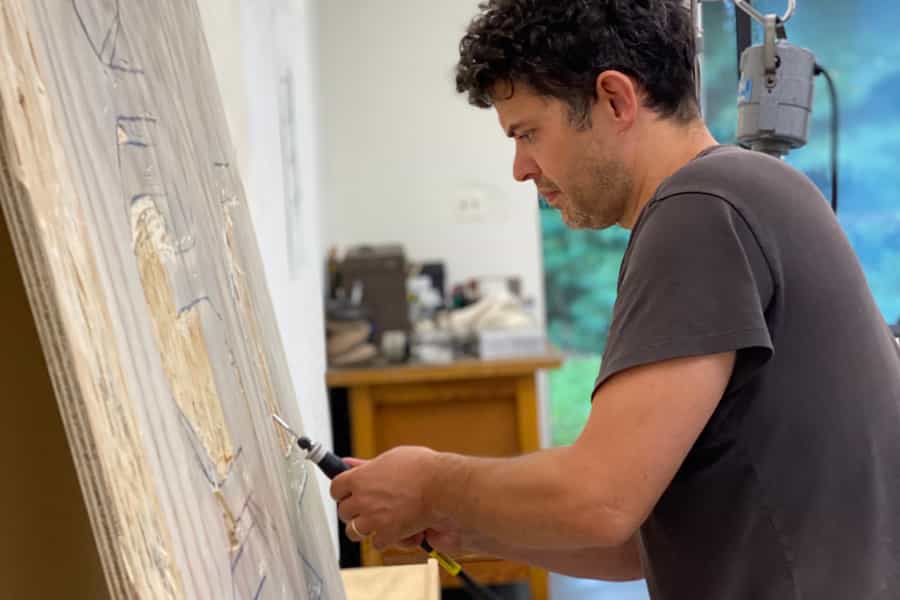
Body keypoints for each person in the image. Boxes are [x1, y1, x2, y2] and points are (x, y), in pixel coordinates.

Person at [330, 1, 900, 598]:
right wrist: (466, 528)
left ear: (614, 99)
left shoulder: (702, 211)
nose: (521, 167)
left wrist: (430, 483)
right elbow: (642, 537)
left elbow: (600, 499)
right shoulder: (749, 191)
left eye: (528, 133)